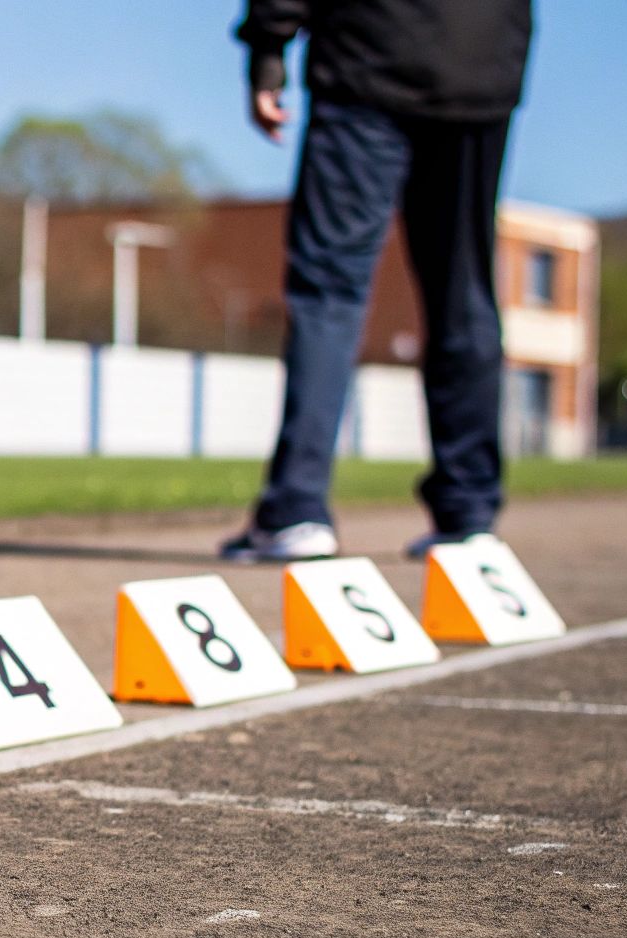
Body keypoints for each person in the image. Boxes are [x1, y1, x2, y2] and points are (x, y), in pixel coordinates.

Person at [219, 0, 533, 562]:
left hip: (369, 59)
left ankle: (296, 508)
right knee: (463, 291)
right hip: (481, 66)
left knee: (328, 292)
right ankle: (469, 513)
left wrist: (269, 47)